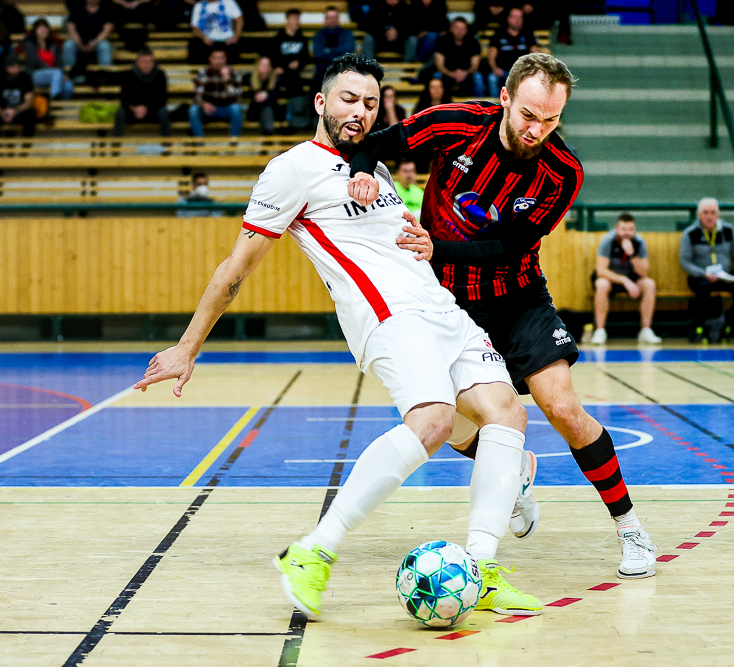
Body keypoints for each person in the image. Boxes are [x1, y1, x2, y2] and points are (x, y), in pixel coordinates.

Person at [134, 53, 541, 620]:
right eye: (349, 99)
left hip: (440, 309)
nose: (361, 112)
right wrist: (187, 345)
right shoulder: (293, 168)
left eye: (371, 103)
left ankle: (483, 569)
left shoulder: (373, 167)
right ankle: (313, 552)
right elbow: (236, 267)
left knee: (508, 416)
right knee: (433, 422)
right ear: (321, 102)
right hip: (388, 316)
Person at [347, 53, 660, 579]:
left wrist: (435, 247)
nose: (538, 130)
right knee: (442, 421)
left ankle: (629, 526)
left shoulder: (563, 173)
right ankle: (515, 473)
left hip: (517, 297)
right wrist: (359, 175)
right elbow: (379, 144)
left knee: (561, 406)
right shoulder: (457, 124)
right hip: (444, 301)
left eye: (551, 120)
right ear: (506, 99)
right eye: (529, 115)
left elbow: (508, 245)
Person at [680, 198, 734, 344]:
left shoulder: (728, 230)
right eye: (706, 213)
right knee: (702, 290)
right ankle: (699, 328)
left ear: (718, 214)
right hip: (701, 276)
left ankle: (728, 327)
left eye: (713, 212)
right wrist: (702, 273)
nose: (709, 216)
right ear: (699, 215)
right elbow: (685, 261)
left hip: (724, 276)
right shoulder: (690, 233)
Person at [590, 213, 661, 345]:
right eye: (623, 229)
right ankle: (600, 331)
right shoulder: (608, 240)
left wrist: (632, 254)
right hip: (612, 278)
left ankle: (646, 330)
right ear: (617, 228)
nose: (626, 233)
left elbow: (644, 272)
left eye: (630, 230)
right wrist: (624, 280)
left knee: (649, 284)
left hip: (631, 279)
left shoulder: (639, 242)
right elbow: (601, 270)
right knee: (601, 284)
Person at [114, 48, 170, 136]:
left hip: (153, 111)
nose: (147, 65)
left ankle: (167, 145)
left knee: (163, 112)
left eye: (150, 62)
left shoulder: (160, 75)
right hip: (133, 111)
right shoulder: (129, 74)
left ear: (154, 63)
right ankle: (116, 145)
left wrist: (147, 108)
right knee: (120, 113)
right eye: (144, 62)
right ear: (137, 63)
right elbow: (123, 97)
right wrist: (134, 108)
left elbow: (162, 98)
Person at [189, 48, 243, 137]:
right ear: (210, 59)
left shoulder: (234, 74)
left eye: (221, 58)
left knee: (236, 109)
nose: (219, 61)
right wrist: (203, 104)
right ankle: (200, 143)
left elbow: (238, 97)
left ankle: (233, 143)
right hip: (208, 109)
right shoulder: (204, 73)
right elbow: (196, 94)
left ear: (225, 59)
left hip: (226, 108)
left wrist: (227, 81)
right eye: (216, 58)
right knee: (193, 110)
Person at [487, 7, 539, 98]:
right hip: (503, 71)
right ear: (508, 19)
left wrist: (531, 70)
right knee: (492, 78)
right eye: (514, 17)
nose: (517, 20)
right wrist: (495, 68)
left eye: (520, 18)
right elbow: (491, 56)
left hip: (522, 72)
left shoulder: (528, 34)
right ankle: (494, 107)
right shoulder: (499, 34)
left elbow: (535, 54)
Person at [433, 17, 485, 98]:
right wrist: (451, 74)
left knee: (478, 77)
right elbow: (439, 65)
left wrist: (465, 73)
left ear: (467, 30)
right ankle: (438, 103)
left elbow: (475, 65)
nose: (459, 31)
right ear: (451, 29)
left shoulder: (473, 42)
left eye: (463, 29)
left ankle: (481, 105)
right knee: (436, 76)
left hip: (467, 73)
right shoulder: (442, 40)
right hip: (447, 72)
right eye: (457, 28)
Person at [22, 18, 73, 101]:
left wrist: (61, 73)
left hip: (54, 75)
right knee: (56, 73)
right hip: (35, 74)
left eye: (45, 28)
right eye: (40, 28)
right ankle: (54, 99)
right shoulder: (30, 45)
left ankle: (62, 108)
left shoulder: (53, 45)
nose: (43, 30)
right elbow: (35, 61)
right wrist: (56, 72)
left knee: (68, 85)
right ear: (35, 30)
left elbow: (59, 63)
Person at [312, 7, 360, 89]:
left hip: (343, 70)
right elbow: (318, 54)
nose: (332, 20)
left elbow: (349, 49)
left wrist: (329, 50)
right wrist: (338, 53)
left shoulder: (347, 34)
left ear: (338, 19)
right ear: (325, 19)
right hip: (323, 72)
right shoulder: (319, 35)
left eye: (334, 17)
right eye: (329, 17)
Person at [64, 0, 114, 74]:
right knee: (68, 45)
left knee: (105, 46)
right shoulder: (77, 8)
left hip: (97, 42)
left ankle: (105, 75)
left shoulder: (105, 10)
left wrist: (95, 42)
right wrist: (78, 40)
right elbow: (70, 25)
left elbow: (108, 28)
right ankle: (69, 74)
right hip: (79, 41)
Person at [188, 0, 243, 65]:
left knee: (234, 49)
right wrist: (203, 37)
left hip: (227, 41)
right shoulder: (199, 5)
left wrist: (236, 36)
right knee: (194, 46)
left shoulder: (229, 2)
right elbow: (195, 28)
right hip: (207, 41)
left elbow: (239, 20)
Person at [271, 8, 310, 93]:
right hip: (281, 73)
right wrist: (281, 66)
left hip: (296, 74)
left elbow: (306, 57)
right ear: (287, 20)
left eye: (298, 19)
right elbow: (273, 56)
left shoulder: (303, 39)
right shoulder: (277, 39)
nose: (297, 22)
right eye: (294, 19)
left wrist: (299, 62)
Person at [0, 52, 35, 136]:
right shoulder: (1, 78)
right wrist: (2, 113)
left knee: (30, 114)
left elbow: (28, 102)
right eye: (12, 67)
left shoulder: (25, 77)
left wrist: (15, 111)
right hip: (3, 110)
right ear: (6, 68)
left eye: (17, 66)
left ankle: (26, 144)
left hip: (19, 110)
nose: (15, 69)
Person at [245, 55, 279, 135]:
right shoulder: (248, 78)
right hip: (254, 110)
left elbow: (276, 95)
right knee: (266, 108)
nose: (265, 67)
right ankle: (268, 133)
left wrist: (266, 96)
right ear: (257, 66)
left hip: (272, 110)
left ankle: (267, 132)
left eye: (267, 65)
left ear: (270, 67)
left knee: (267, 108)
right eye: (262, 64)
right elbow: (246, 94)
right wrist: (256, 96)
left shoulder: (276, 79)